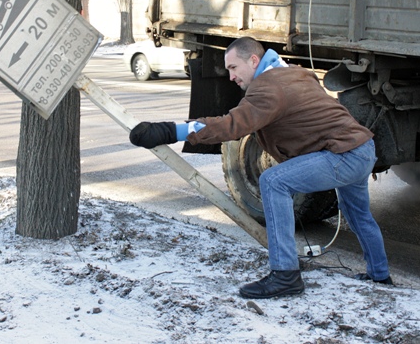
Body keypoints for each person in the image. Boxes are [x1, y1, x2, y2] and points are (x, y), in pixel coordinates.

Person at [129, 36, 391, 299]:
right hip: (361, 148)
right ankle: (380, 275)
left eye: (233, 68)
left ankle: (285, 276)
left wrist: (170, 131)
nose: (231, 77)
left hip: (342, 154)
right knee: (359, 216)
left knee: (274, 181)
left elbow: (231, 126)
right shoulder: (293, 73)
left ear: (254, 60)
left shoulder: (268, 88)